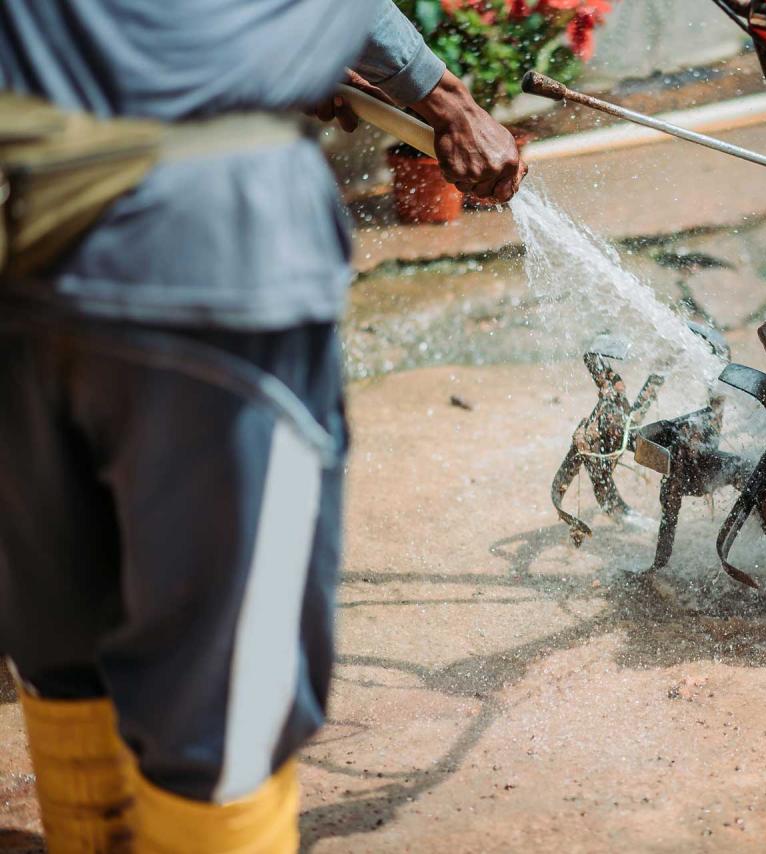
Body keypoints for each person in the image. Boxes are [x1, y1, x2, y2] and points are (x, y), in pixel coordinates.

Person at [0, 1, 525, 850]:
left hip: (29, 252)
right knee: (228, 706)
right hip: (219, 262)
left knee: (65, 642)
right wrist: (447, 103)